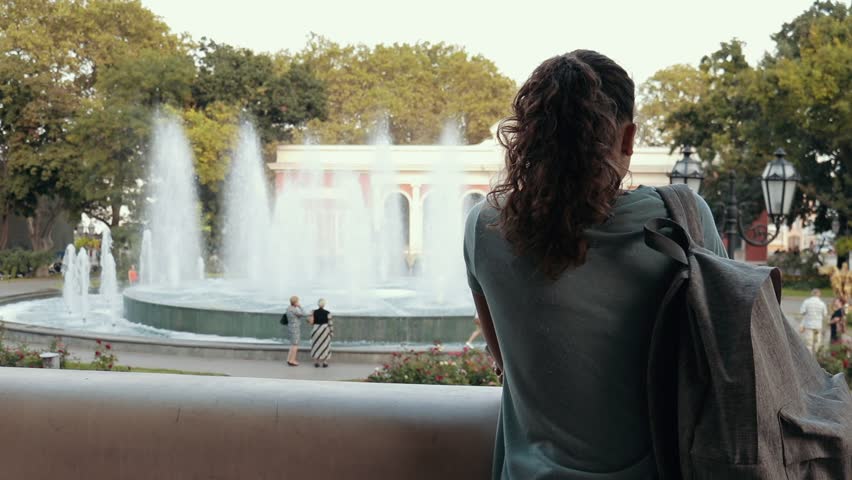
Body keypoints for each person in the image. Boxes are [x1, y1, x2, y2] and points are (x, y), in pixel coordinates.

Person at [462, 50, 728, 478]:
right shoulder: (682, 221)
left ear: (529, 136)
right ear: (627, 139)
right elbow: (725, 349)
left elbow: (505, 361)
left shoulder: (484, 227)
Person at [799, 288, 828, 353]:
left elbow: (802, 312)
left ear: (812, 293)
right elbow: (825, 314)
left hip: (809, 325)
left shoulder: (807, 302)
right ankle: (816, 356)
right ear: (819, 294)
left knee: (809, 343)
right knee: (817, 342)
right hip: (818, 325)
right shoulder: (822, 303)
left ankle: (809, 358)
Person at [309, 298, 333, 368]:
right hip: (325, 330)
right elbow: (330, 323)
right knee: (325, 346)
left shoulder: (313, 312)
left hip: (316, 329)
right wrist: (331, 332)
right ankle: (325, 362)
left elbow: (311, 322)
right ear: (324, 304)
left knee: (315, 345)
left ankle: (316, 362)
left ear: (318, 304)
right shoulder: (328, 313)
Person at [285, 296, 308, 366]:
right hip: (295, 328)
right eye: (297, 302)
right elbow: (304, 314)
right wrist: (300, 307)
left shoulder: (288, 308)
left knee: (292, 344)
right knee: (295, 345)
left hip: (290, 327)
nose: (298, 303)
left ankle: (289, 359)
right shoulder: (294, 310)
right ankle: (292, 360)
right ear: (295, 302)